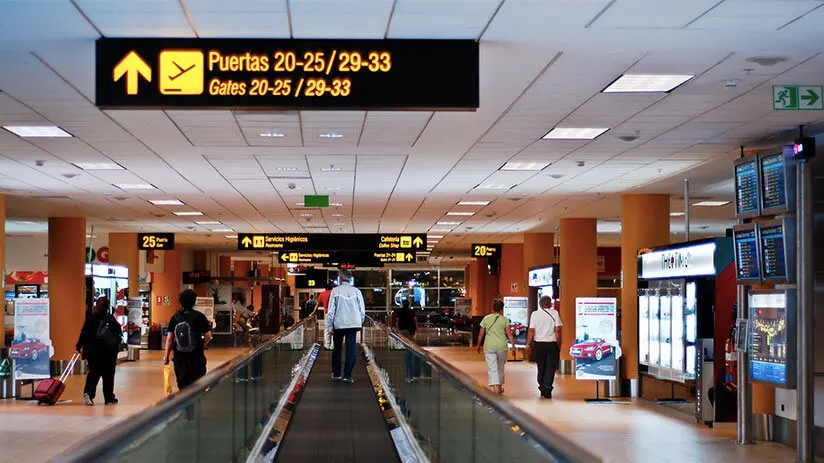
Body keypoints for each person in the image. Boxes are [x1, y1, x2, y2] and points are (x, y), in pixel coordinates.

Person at [76, 297, 121, 406]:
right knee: (108, 375)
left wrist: (79, 346)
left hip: (93, 352)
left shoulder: (90, 318)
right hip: (108, 352)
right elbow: (118, 333)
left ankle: (88, 393)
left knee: (94, 372)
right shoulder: (110, 319)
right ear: (108, 307)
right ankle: (109, 398)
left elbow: (84, 333)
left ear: (96, 305)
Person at [164, 289, 213, 390]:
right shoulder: (200, 317)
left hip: (180, 357)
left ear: (180, 302)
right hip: (196, 356)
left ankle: (184, 403)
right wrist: (200, 345)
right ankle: (195, 403)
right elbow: (208, 336)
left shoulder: (175, 317)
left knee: (182, 383)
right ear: (194, 302)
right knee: (197, 383)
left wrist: (166, 356)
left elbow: (169, 339)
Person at [326, 268, 365, 383]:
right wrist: (359, 322)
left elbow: (331, 311)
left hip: (339, 324)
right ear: (350, 279)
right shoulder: (357, 291)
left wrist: (330, 326)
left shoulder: (335, 291)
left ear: (341, 279)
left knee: (337, 349)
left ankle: (337, 373)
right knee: (351, 350)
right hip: (353, 324)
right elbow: (362, 310)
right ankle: (347, 375)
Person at [477, 299, 516, 395]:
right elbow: (509, 334)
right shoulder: (505, 320)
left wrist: (478, 345)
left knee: (492, 367)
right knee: (500, 367)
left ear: (492, 308)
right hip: (502, 346)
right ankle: (500, 386)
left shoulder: (486, 318)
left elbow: (481, 334)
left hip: (489, 346)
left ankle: (496, 386)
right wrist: (513, 347)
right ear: (501, 309)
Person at [527, 296, 563, 399]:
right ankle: (548, 386)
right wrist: (559, 344)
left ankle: (542, 386)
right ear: (550, 304)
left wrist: (528, 343)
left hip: (539, 345)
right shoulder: (555, 313)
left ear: (540, 304)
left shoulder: (535, 314)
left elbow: (531, 330)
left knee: (541, 366)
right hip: (551, 344)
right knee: (550, 367)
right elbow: (558, 331)